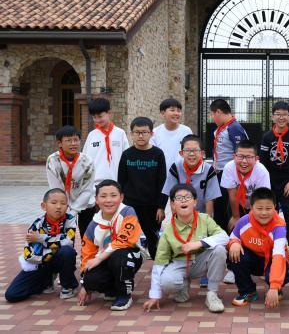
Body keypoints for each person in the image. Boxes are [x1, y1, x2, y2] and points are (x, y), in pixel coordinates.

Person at [142, 184, 229, 313]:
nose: (183, 200)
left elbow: (224, 237)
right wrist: (155, 295)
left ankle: (212, 294)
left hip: (200, 261)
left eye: (188, 197)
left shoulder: (204, 219)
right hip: (180, 264)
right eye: (178, 198)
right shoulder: (167, 230)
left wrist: (199, 243)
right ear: (172, 205)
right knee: (167, 283)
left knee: (220, 250)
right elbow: (159, 263)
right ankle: (182, 285)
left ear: (195, 202)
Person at [78, 180, 143, 311]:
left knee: (119, 255)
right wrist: (85, 284)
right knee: (90, 280)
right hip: (105, 259)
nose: (108, 200)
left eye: (113, 195)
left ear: (121, 197)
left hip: (129, 255)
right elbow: (87, 253)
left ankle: (124, 294)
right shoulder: (94, 224)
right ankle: (112, 289)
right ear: (96, 199)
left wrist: (99, 258)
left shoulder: (127, 212)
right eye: (103, 196)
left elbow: (123, 240)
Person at [5, 189, 78, 302]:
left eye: (63, 203)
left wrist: (41, 238)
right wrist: (52, 249)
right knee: (12, 294)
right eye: (54, 203)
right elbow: (29, 253)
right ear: (44, 206)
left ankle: (68, 286)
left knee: (67, 251)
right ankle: (46, 280)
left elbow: (68, 241)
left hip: (59, 258)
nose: (58, 206)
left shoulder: (70, 220)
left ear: (67, 206)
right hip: (40, 263)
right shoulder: (36, 225)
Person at [227, 188, 289, 308]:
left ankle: (278, 289)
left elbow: (278, 256)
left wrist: (274, 286)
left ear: (275, 207)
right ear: (251, 207)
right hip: (254, 259)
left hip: (274, 260)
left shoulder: (279, 226)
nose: (264, 213)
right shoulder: (244, 221)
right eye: (259, 208)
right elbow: (232, 237)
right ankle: (247, 291)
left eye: (268, 208)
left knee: (278, 267)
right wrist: (234, 243)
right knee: (234, 253)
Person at [259, 101, 289, 270]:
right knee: (269, 215)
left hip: (287, 183)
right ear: (273, 116)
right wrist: (265, 184)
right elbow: (262, 161)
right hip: (270, 182)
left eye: (284, 114)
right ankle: (268, 245)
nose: (281, 117)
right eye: (278, 114)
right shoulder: (267, 137)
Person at [118, 117, 167, 259]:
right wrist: (121, 206)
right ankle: (128, 266)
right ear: (131, 134)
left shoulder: (158, 154)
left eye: (144, 132)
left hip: (152, 205)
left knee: (153, 239)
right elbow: (121, 181)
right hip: (131, 205)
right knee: (129, 238)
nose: (140, 135)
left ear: (151, 134)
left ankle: (157, 270)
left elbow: (162, 182)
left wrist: (161, 207)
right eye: (137, 132)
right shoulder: (127, 154)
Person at [46, 125, 96, 238]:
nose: (73, 144)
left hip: (86, 203)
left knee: (88, 237)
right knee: (63, 239)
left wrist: (74, 211)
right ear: (60, 143)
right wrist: (65, 208)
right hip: (63, 204)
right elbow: (56, 189)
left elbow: (87, 190)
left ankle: (88, 255)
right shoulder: (53, 161)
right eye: (68, 141)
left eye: (76, 140)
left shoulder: (87, 161)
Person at [210, 98, 248, 231]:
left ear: (218, 112)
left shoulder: (234, 128)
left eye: (212, 114)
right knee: (219, 207)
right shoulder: (220, 128)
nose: (212, 117)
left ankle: (229, 237)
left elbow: (242, 153)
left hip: (230, 175)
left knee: (227, 208)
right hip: (219, 173)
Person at [160, 134, 222, 217]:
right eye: (187, 150)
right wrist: (176, 221)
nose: (192, 154)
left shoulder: (209, 170)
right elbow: (173, 197)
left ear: (202, 153)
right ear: (181, 153)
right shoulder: (175, 168)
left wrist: (207, 223)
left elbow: (209, 200)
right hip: (181, 214)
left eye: (196, 150)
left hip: (201, 215)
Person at [221, 140, 271, 231]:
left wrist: (252, 220)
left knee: (253, 230)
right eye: (240, 156)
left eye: (249, 157)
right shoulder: (229, 168)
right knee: (233, 228)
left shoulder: (262, 171)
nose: (244, 161)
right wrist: (235, 217)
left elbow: (261, 199)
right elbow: (232, 196)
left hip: (256, 204)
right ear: (234, 157)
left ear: (256, 159)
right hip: (236, 204)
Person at [83, 97, 129, 185]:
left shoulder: (120, 133)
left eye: (100, 116)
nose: (97, 120)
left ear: (109, 113)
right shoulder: (92, 135)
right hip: (95, 184)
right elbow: (85, 160)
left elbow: (126, 158)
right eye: (94, 117)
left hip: (116, 183)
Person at [150, 98, 193, 170]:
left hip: (182, 174)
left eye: (179, 111)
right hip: (162, 174)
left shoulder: (186, 131)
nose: (176, 113)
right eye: (172, 110)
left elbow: (191, 152)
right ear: (163, 113)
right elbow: (152, 156)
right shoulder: (155, 132)